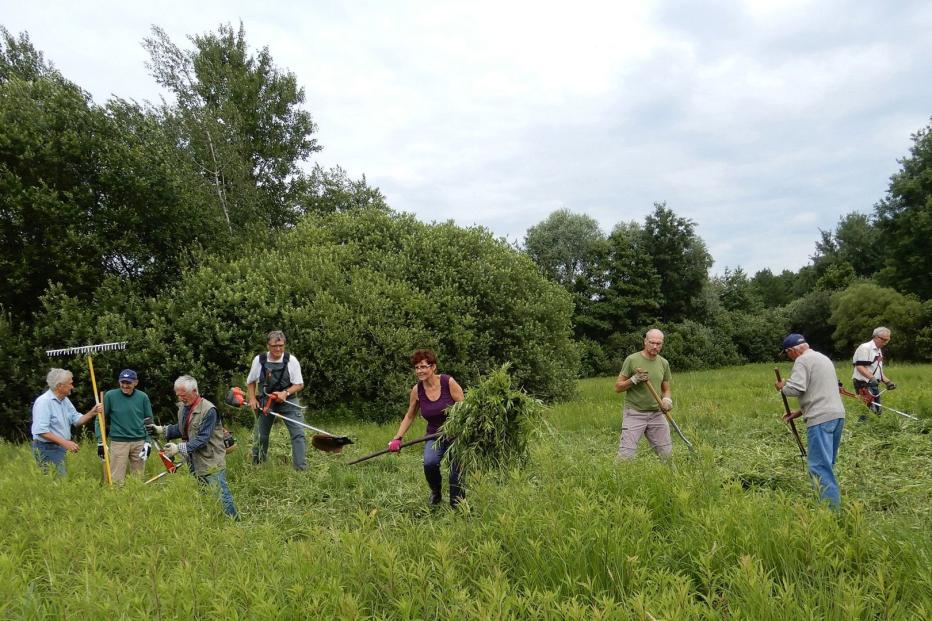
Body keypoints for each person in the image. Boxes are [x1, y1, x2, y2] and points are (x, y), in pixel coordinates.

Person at [147, 375, 239, 519]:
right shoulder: (184, 408)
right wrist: (162, 430)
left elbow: (202, 439)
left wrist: (178, 448)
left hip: (211, 461)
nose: (181, 399)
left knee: (221, 496)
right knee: (205, 496)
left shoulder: (209, 410)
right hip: (194, 461)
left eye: (184, 396)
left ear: (195, 391)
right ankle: (215, 524)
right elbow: (184, 428)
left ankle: (235, 524)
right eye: (178, 396)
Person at [775, 333, 846, 509]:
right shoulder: (823, 359)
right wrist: (799, 412)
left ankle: (830, 514)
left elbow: (796, 389)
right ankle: (830, 504)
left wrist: (783, 387)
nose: (789, 359)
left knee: (819, 468)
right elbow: (821, 390)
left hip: (820, 420)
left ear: (791, 350)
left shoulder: (802, 360)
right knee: (827, 464)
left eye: (787, 355)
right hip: (836, 416)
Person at [388, 349, 465, 507]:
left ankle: (458, 507)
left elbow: (465, 408)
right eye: (416, 367)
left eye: (423, 366)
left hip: (456, 434)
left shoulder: (447, 382)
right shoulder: (417, 390)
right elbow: (410, 416)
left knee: (455, 472)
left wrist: (459, 428)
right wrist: (397, 438)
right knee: (429, 463)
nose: (419, 371)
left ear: (433, 367)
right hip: (434, 435)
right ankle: (436, 493)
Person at [247, 330, 306, 470]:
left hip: (288, 401)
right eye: (274, 346)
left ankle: (301, 469)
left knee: (298, 434)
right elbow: (250, 382)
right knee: (261, 435)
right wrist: (252, 399)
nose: (278, 349)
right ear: (268, 345)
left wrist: (285, 393)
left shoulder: (291, 360)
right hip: (266, 401)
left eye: (281, 345)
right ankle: (258, 466)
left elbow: (299, 384)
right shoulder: (259, 360)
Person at [614, 329, 674, 461]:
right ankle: (619, 480)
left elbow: (666, 389)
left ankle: (672, 479)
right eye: (652, 342)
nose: (655, 346)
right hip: (634, 413)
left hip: (657, 414)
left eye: (658, 343)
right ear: (645, 342)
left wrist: (667, 400)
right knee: (626, 456)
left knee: (667, 455)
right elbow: (618, 387)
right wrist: (634, 379)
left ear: (662, 344)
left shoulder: (664, 363)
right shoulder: (632, 360)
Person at [31, 368, 102, 476]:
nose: (72, 387)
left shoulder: (64, 400)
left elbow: (77, 420)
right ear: (60, 386)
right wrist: (65, 443)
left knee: (61, 480)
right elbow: (41, 431)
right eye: (70, 384)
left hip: (59, 448)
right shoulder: (44, 402)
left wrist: (93, 412)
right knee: (54, 481)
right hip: (46, 448)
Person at [95, 369, 153, 485]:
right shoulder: (110, 396)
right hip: (119, 442)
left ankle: (135, 501)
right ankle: (116, 501)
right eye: (123, 382)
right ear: (119, 382)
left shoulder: (143, 397)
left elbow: (149, 420)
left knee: (138, 479)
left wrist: (148, 442)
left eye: (128, 383)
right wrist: (101, 442)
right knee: (115, 480)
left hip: (139, 442)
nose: (125, 385)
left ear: (135, 382)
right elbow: (100, 419)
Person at [851, 327, 896, 420]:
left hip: (873, 383)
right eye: (883, 340)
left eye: (887, 340)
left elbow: (878, 371)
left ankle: (875, 431)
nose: (885, 343)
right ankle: (860, 431)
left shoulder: (878, 350)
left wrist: (888, 382)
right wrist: (871, 378)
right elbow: (859, 366)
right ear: (875, 337)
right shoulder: (865, 348)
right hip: (863, 383)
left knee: (878, 411)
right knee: (869, 410)